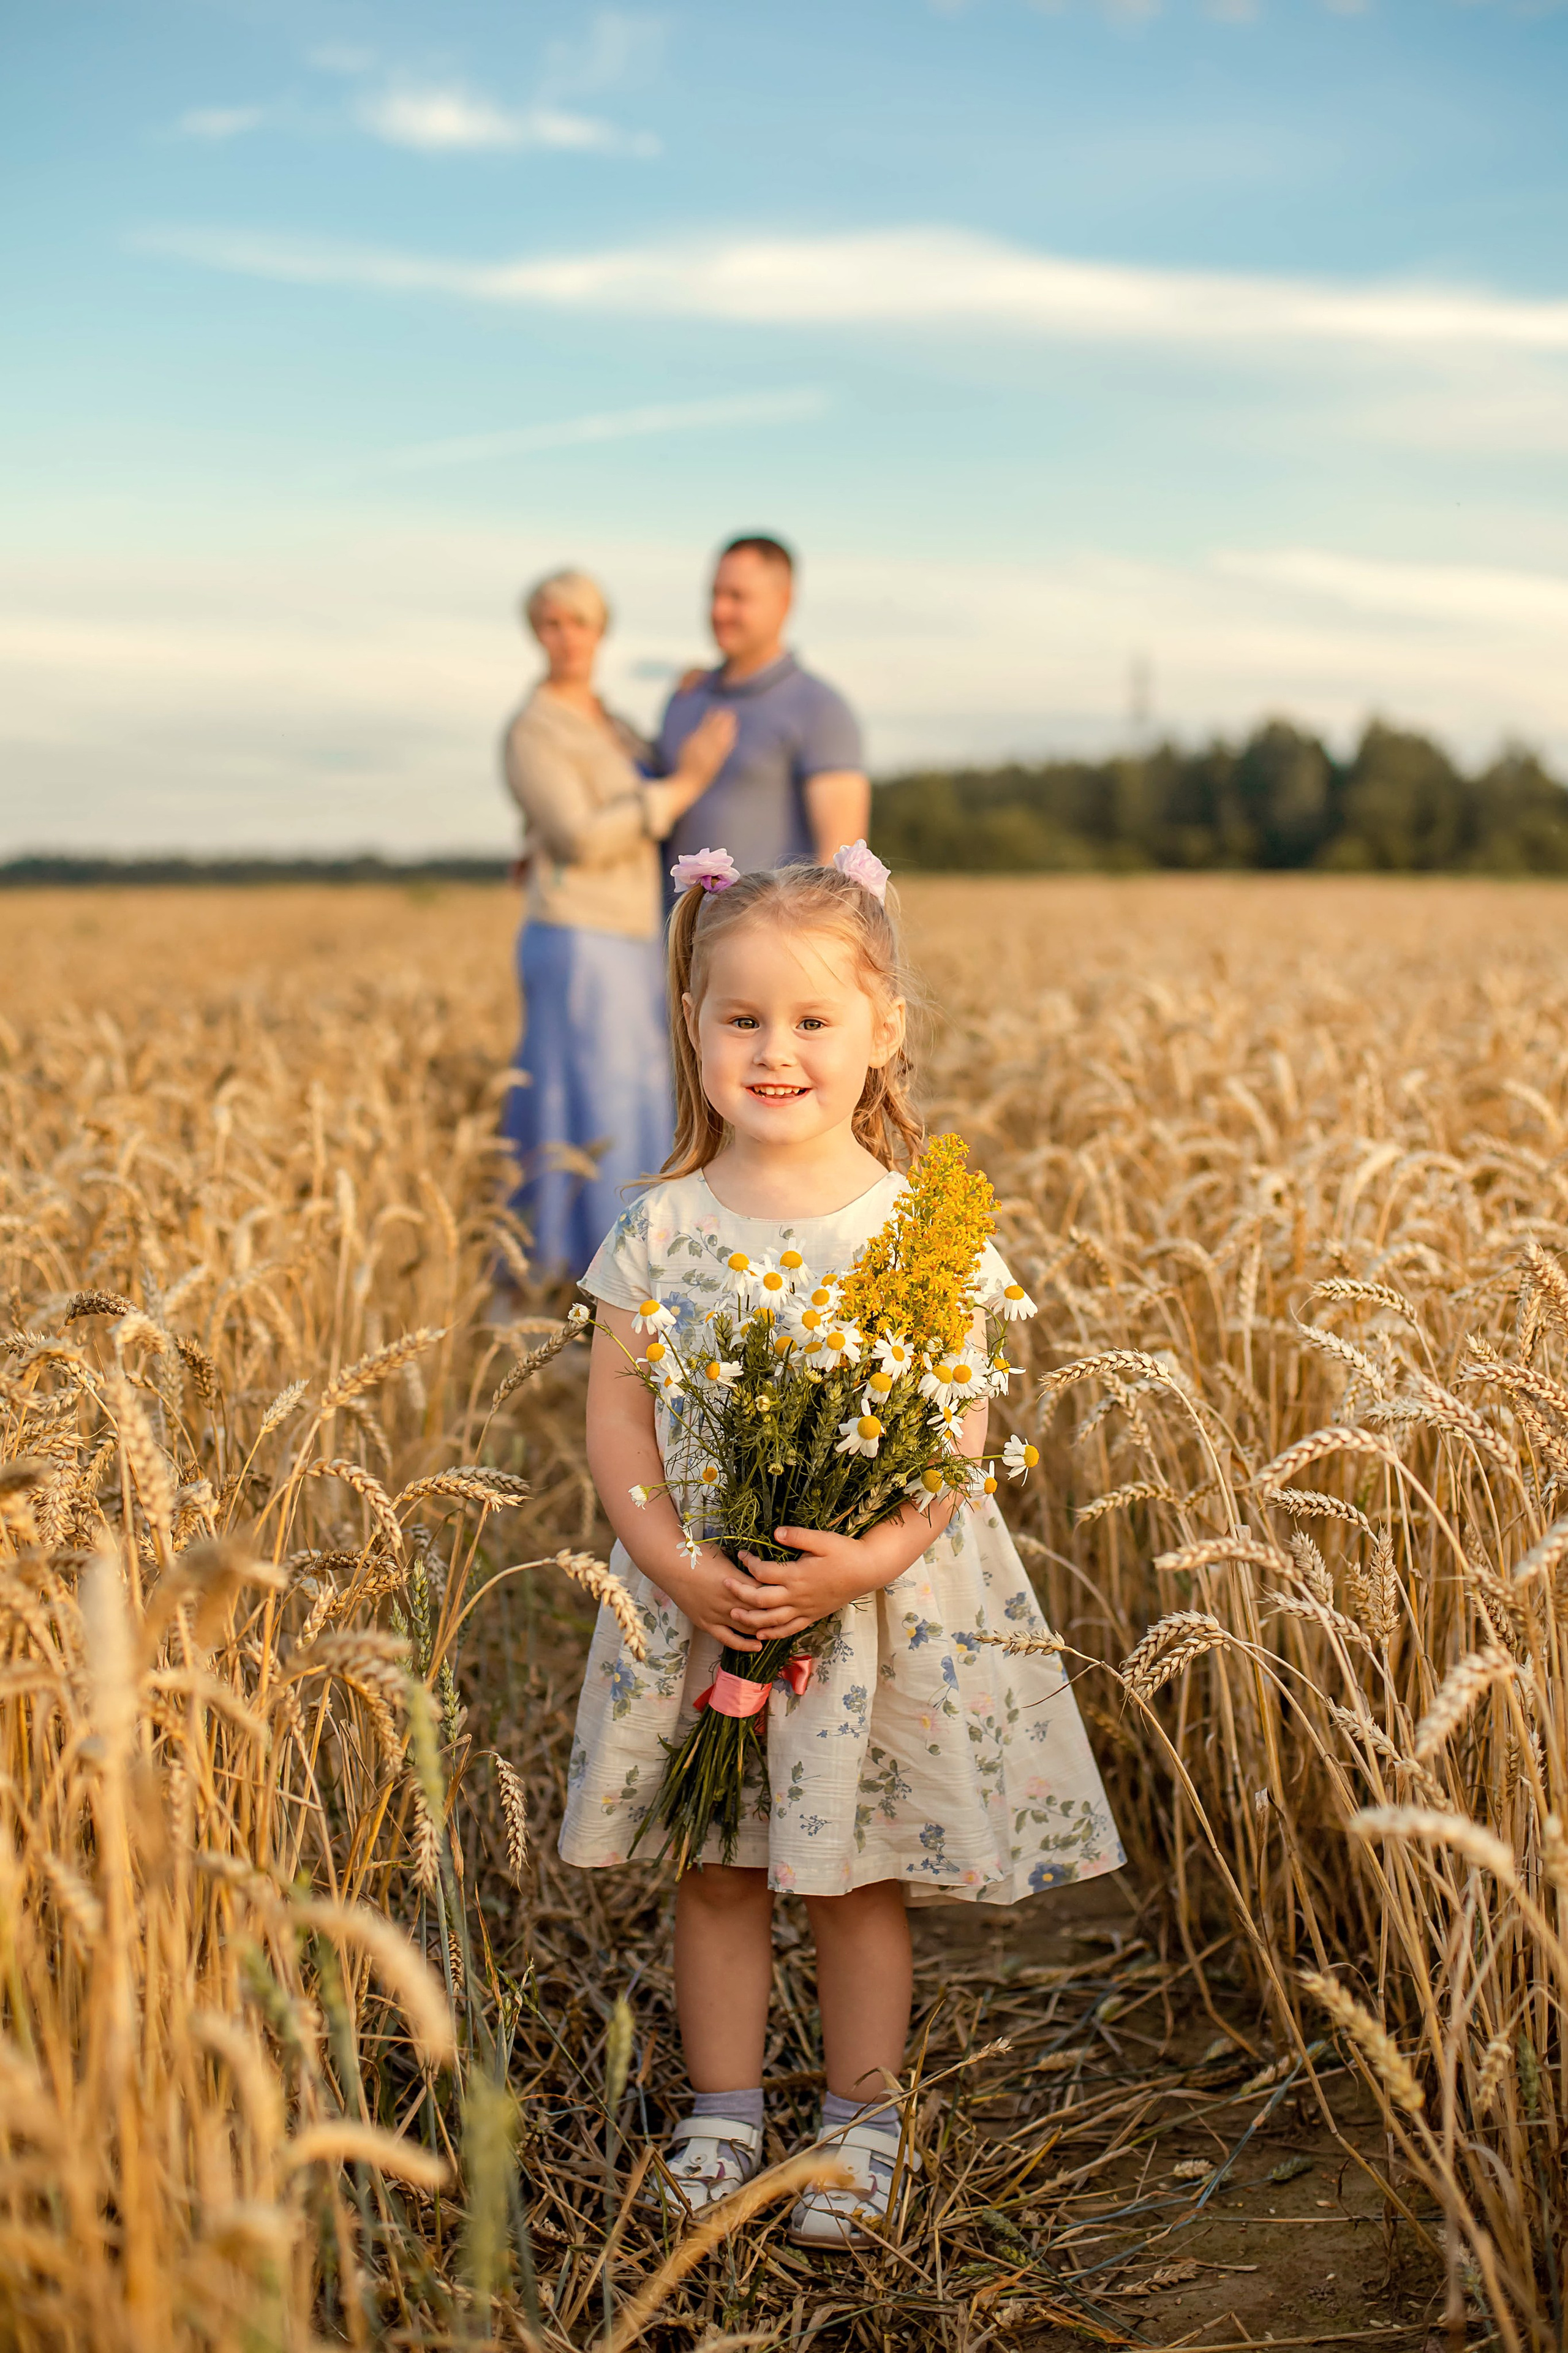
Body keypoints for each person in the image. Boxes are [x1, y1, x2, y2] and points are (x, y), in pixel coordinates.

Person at [559, 847, 1125, 2246]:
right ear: (689, 1031)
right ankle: (722, 2107)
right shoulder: (657, 1226)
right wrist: (675, 1562)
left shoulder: (915, 1229)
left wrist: (864, 1560)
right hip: (703, 1599)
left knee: (855, 1864)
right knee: (717, 1860)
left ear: (883, 1032)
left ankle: (860, 2119)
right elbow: (616, 1413)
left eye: (810, 1019)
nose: (773, 1049)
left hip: (866, 1612)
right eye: (738, 1017)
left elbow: (952, 1437)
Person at [499, 569, 734, 1281]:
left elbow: (637, 777)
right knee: (585, 1105)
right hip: (578, 933)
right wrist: (684, 786)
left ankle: (632, 1272)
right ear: (535, 633)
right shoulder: (533, 727)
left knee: (634, 1096)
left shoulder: (609, 718)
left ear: (602, 631)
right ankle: (574, 1276)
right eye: (550, 623)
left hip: (631, 933)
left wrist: (692, 692)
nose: (566, 636)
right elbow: (577, 835)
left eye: (580, 621)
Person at [660, 536, 869, 880]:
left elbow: (839, 864)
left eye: (737, 597)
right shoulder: (684, 699)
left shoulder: (821, 709)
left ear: (784, 601)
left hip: (768, 932)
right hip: (673, 933)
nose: (719, 611)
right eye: (715, 594)